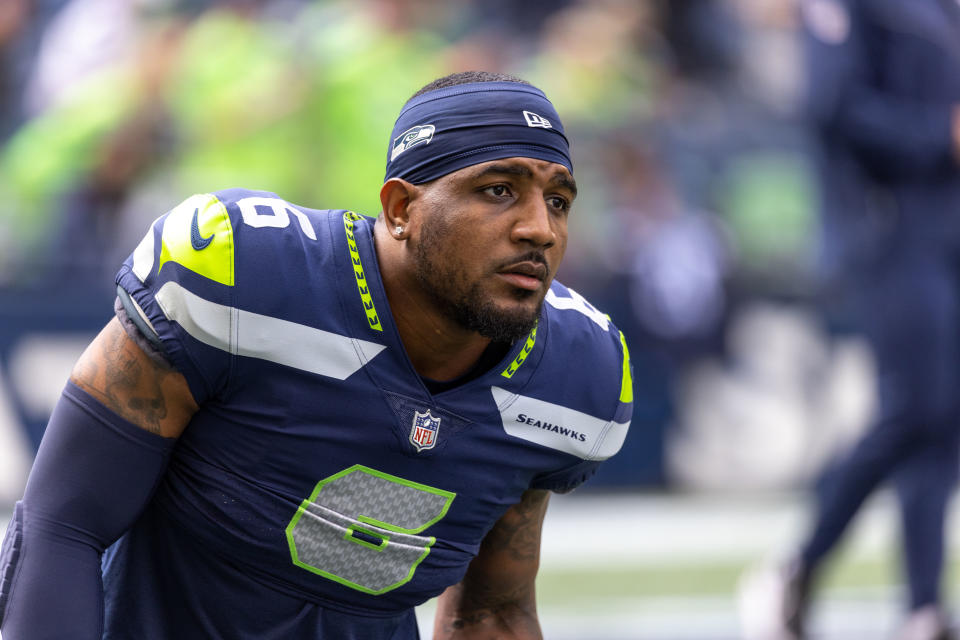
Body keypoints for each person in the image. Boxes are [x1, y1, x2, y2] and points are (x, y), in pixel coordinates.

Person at [0, 70, 633, 639]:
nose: (540, 229)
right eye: (498, 191)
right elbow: (62, 524)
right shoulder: (243, 274)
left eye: (558, 201)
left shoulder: (576, 376)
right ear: (402, 208)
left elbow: (491, 614)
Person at [739, 1, 960, 639]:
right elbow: (834, 105)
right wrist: (937, 133)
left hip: (944, 230)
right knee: (913, 410)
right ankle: (795, 566)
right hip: (888, 224)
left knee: (940, 419)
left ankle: (923, 606)